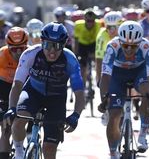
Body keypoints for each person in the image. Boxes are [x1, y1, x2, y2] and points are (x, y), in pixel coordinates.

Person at [2, 22, 85, 159]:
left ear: (64, 45)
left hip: (56, 98)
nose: (52, 51)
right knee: (18, 121)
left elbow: (79, 92)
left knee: (49, 148)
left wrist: (76, 114)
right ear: (41, 42)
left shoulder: (70, 60)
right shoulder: (30, 54)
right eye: (47, 45)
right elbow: (17, 85)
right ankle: (19, 153)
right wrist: (11, 108)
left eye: (57, 46)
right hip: (32, 93)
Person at [99, 21, 149, 158]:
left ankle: (143, 133)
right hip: (117, 74)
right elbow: (105, 76)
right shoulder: (112, 46)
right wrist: (104, 99)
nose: (129, 49)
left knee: (147, 94)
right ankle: (113, 152)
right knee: (114, 114)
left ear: (140, 43)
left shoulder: (147, 47)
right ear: (120, 41)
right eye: (125, 45)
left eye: (133, 46)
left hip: (139, 72)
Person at [0, 27, 28, 158]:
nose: (18, 52)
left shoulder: (30, 54)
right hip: (4, 88)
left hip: (24, 88)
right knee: (6, 128)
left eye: (21, 48)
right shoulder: (1, 55)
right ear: (7, 46)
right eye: (13, 49)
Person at [73, 8, 102, 97]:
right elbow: (76, 41)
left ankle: (98, 80)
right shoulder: (78, 25)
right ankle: (84, 86)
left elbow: (99, 40)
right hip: (83, 45)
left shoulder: (98, 24)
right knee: (82, 67)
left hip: (93, 44)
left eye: (92, 21)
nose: (90, 23)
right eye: (88, 21)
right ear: (85, 20)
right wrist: (76, 54)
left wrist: (96, 55)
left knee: (98, 61)